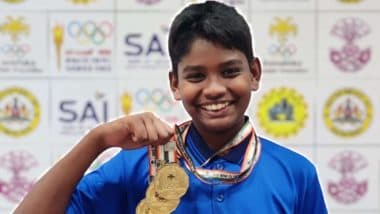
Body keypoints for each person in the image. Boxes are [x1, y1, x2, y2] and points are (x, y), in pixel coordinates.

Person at [15, 1, 328, 213]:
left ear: (255, 73)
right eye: (196, 76)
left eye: (230, 71)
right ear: (175, 84)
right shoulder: (135, 167)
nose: (215, 88)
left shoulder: (296, 174)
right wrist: (97, 140)